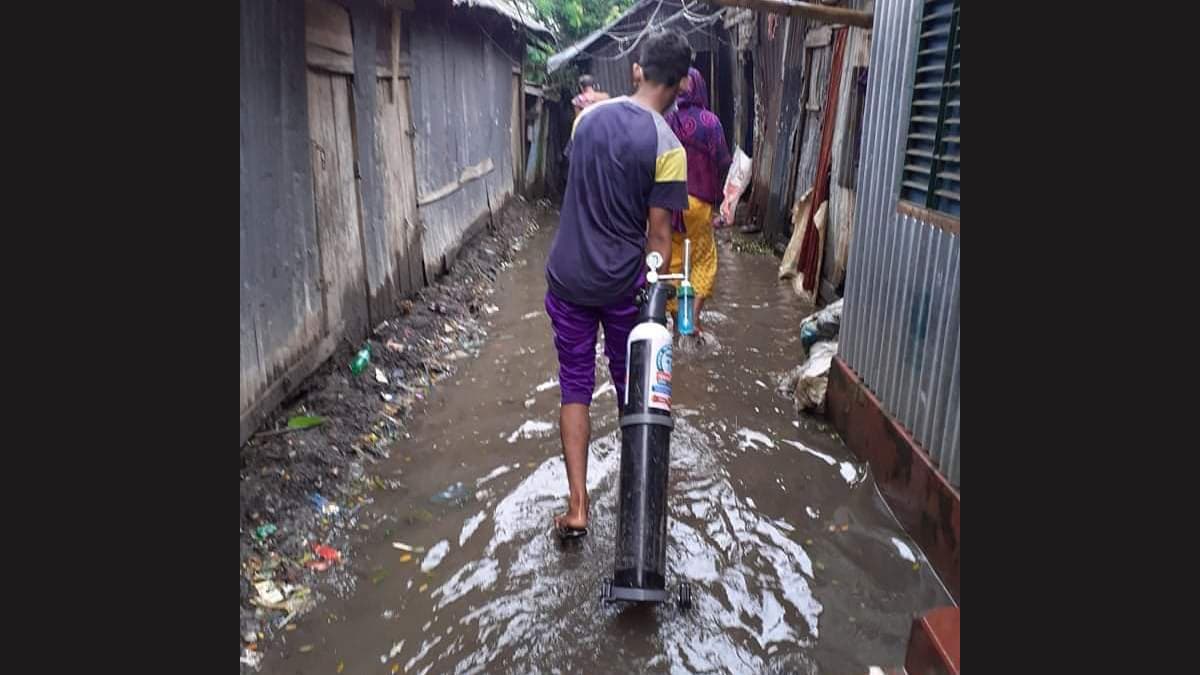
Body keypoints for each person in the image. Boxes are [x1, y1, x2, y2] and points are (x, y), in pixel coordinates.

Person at [544, 29, 692, 538]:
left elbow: (580, 187)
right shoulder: (669, 148)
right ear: (679, 85)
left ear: (636, 70)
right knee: (636, 390)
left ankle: (578, 507)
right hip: (623, 284)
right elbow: (658, 236)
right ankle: (640, 499)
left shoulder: (586, 120)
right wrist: (656, 293)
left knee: (575, 387)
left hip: (567, 277)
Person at [664, 67, 731, 340]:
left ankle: (675, 318)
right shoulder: (711, 122)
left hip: (669, 202)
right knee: (704, 259)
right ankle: (692, 318)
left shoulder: (667, 119)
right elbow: (723, 161)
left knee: (674, 261)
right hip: (700, 203)